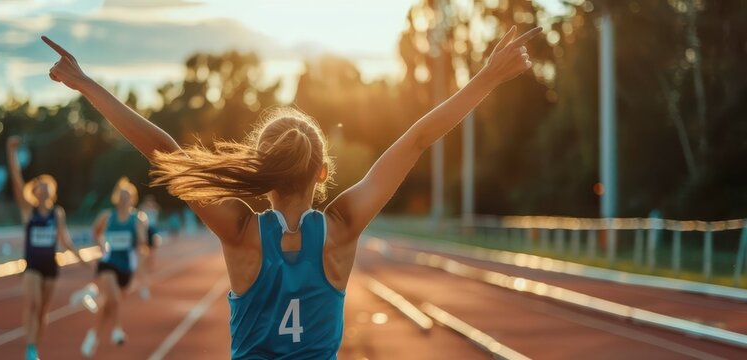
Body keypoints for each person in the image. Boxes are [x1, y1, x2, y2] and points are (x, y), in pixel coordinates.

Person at [43, 24, 541, 358]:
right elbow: (416, 140)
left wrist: (87, 84)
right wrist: (485, 80)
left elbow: (162, 149)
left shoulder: (239, 231)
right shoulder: (341, 228)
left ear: (261, 171)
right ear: (322, 172)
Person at [6, 135, 89, 360]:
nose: (42, 190)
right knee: (32, 304)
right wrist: (11, 152)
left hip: (50, 266)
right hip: (32, 265)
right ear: (35, 191)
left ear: (51, 192)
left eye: (46, 187)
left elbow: (66, 240)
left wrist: (83, 261)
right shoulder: (28, 211)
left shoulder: (57, 213)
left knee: (43, 310)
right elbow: (16, 180)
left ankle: (35, 348)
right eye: (39, 187)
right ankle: (29, 348)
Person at [81, 177, 148, 357]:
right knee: (114, 298)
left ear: (132, 198)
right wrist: (100, 244)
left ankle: (93, 335)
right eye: (121, 195)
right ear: (116, 197)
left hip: (126, 267)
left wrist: (140, 246)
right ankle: (117, 330)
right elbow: (94, 231)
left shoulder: (137, 219)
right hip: (108, 263)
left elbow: (143, 243)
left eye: (127, 196)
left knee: (109, 304)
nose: (123, 199)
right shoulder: (107, 216)